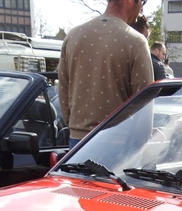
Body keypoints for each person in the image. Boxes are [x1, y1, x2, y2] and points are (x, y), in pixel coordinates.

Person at [59, 0, 153, 147]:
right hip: (118, 142)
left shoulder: (73, 36)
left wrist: (75, 126)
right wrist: (142, 143)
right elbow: (145, 102)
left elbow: (63, 90)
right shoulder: (136, 42)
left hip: (78, 141)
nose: (141, 7)